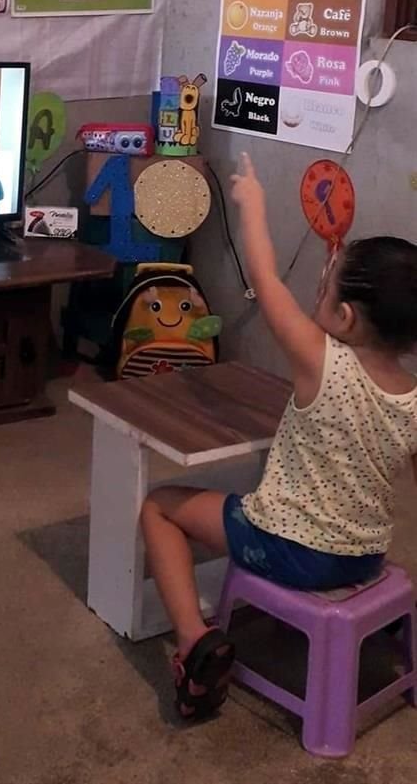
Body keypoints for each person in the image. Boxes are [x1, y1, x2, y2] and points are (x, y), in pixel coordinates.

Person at [141, 153, 417, 721]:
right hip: (363, 557)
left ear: (344, 318)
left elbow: (264, 279)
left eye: (326, 281)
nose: (318, 281)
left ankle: (195, 643)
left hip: (293, 549)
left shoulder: (322, 362)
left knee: (160, 507)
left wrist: (254, 205)